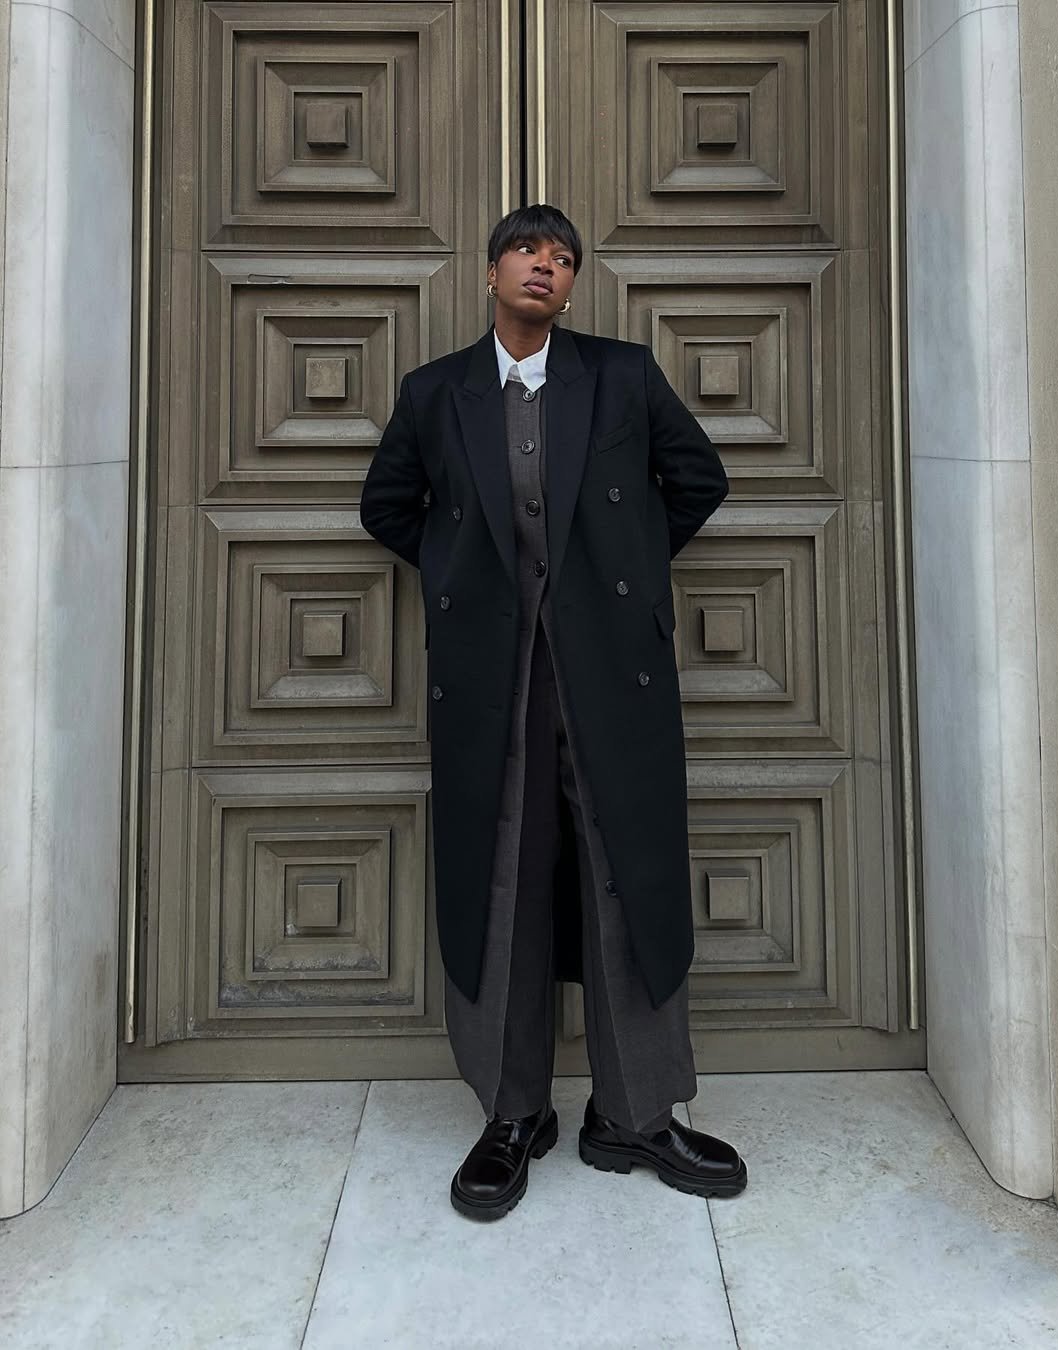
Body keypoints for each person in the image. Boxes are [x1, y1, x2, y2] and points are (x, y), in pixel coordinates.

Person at [360, 203, 748, 1221]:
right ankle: (513, 1113)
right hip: (494, 680)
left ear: (573, 283)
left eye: (565, 256)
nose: (548, 266)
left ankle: (636, 1114)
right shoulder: (435, 392)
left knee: (627, 879)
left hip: (611, 676)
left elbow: (698, 479)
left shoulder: (619, 375)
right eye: (530, 251)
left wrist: (620, 576)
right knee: (505, 878)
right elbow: (386, 506)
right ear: (491, 270)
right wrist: (460, 579)